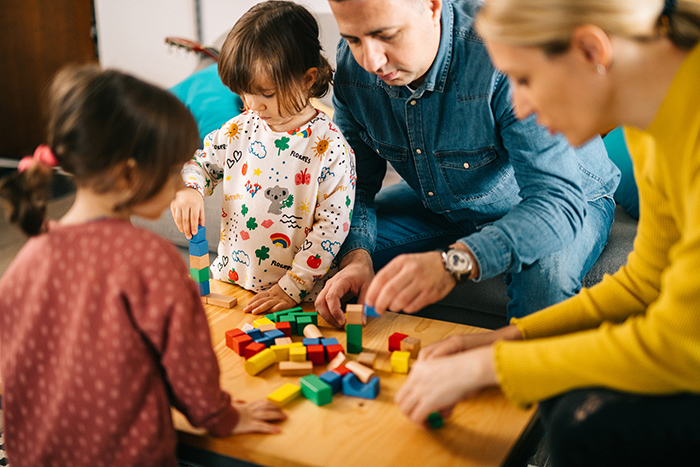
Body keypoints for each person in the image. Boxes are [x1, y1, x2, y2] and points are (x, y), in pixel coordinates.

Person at [395, 0, 700, 464]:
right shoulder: (648, 117)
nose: (518, 105)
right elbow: (647, 281)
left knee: (588, 424)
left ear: (591, 50)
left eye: (524, 78)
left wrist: (491, 367)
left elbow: (681, 343)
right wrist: (507, 339)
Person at [0, 65, 286, 466]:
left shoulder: (28, 256)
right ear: (130, 174)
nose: (179, 185)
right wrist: (223, 417)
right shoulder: (151, 261)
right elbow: (190, 369)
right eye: (173, 171)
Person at [315, 0, 620, 326]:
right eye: (354, 39)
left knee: (544, 283)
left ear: (432, 7)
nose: (371, 60)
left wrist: (455, 262)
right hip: (445, 202)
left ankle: (512, 373)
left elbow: (556, 203)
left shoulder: (503, 55)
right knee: (326, 248)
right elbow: (354, 185)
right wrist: (356, 257)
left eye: (387, 35)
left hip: (565, 198)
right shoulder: (352, 70)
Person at [171, 1, 355, 315]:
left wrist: (292, 288)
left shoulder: (330, 147)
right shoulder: (238, 130)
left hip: (298, 298)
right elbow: (201, 164)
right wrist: (189, 188)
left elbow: (331, 228)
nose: (253, 105)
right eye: (244, 93)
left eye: (265, 93)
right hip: (230, 281)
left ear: (308, 79)